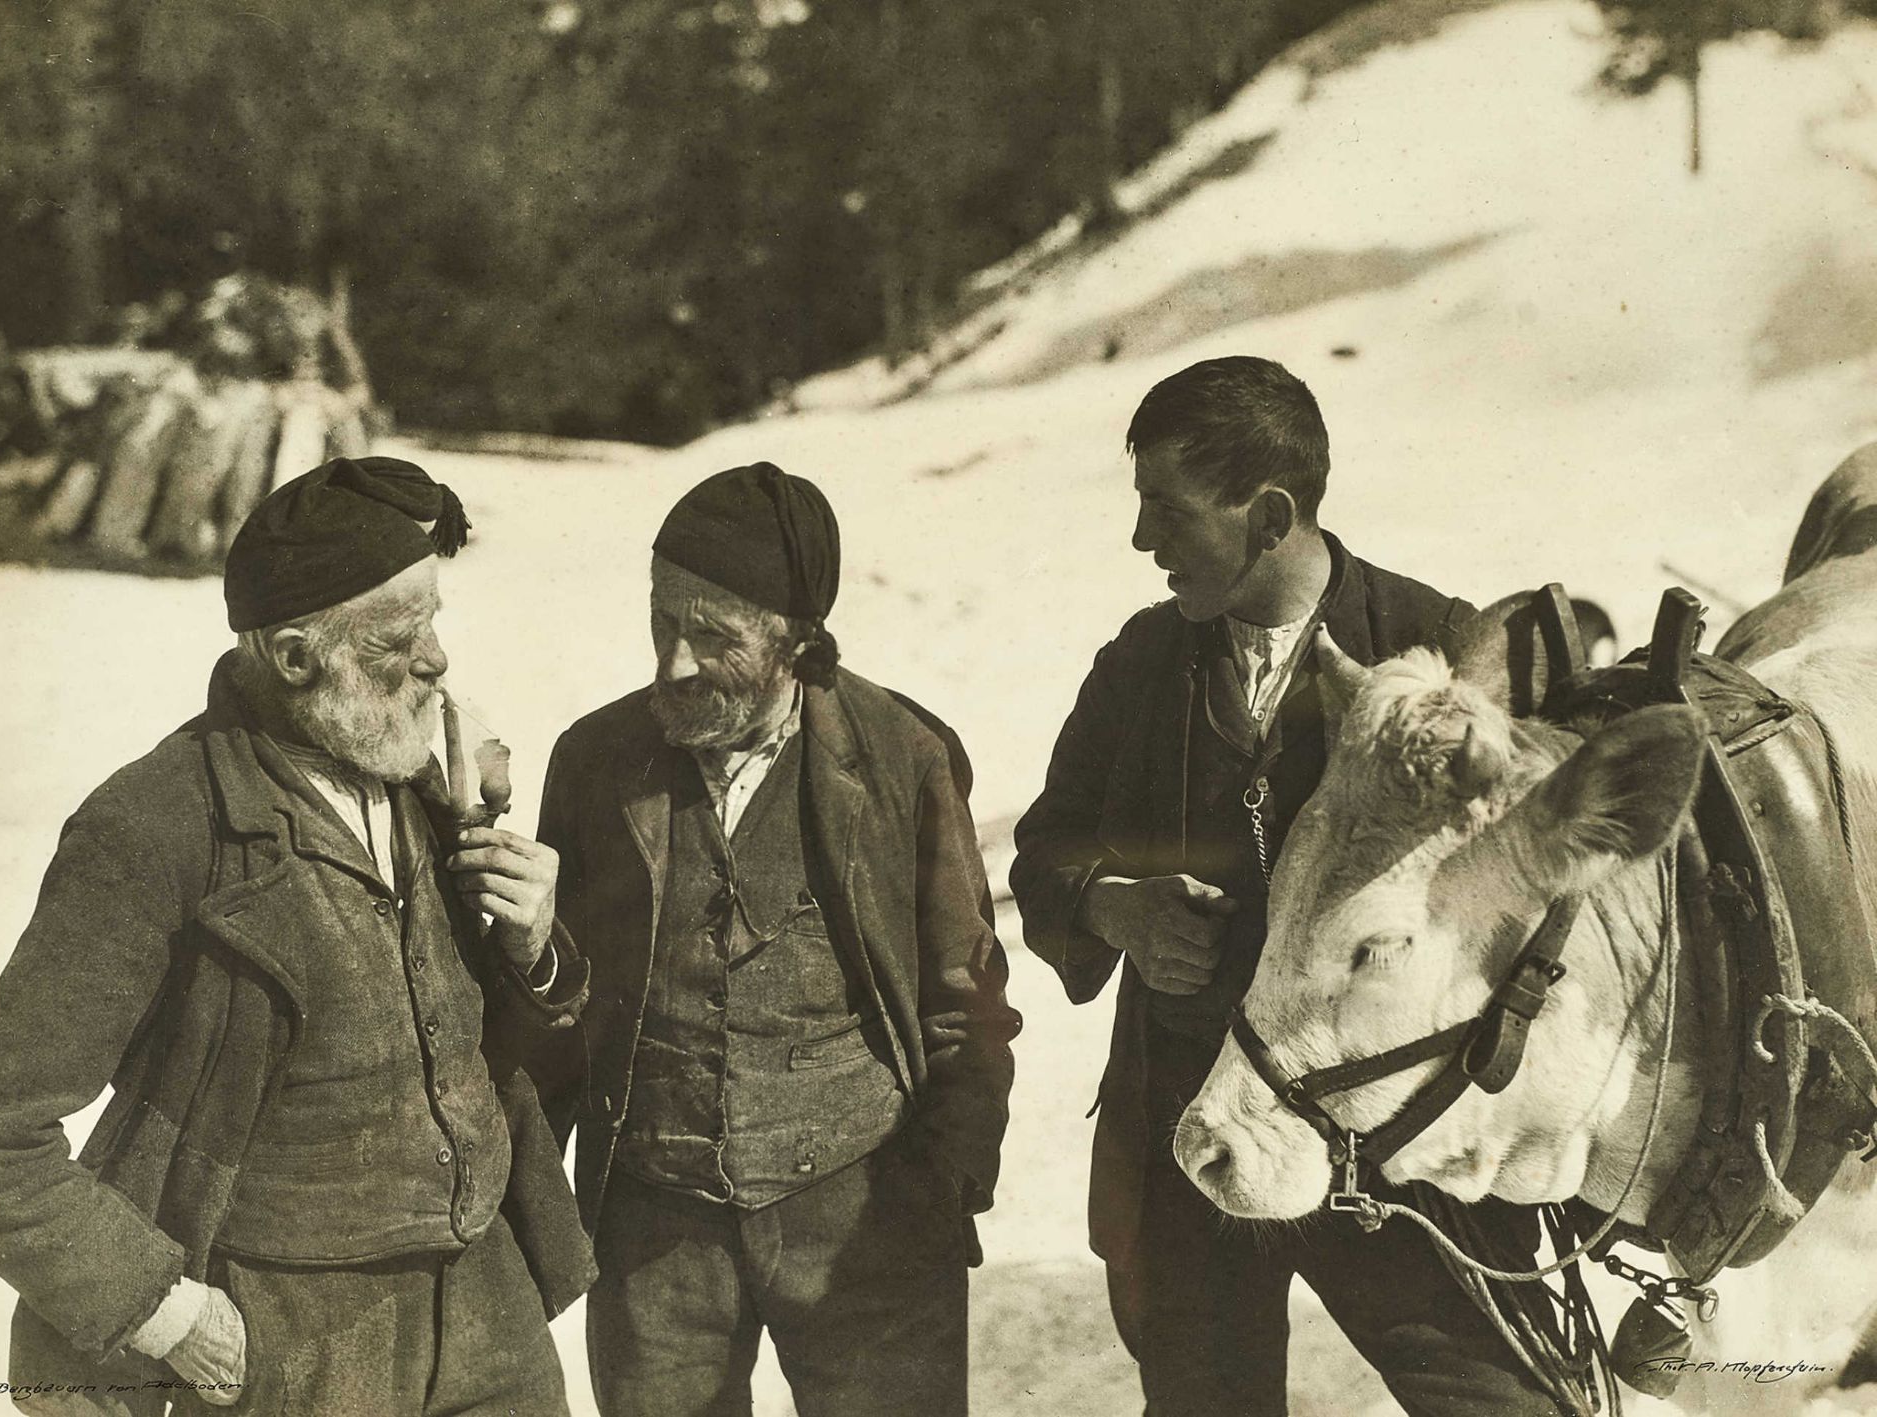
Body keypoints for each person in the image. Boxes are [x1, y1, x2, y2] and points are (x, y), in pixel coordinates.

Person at [0, 456, 595, 1416]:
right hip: (285, 1345)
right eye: (398, 637)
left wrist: (536, 950)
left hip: (487, 1318)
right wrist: (166, 1314)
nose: (438, 661)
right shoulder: (155, 825)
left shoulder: (415, 782)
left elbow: (475, 1049)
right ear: (296, 656)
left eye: (435, 622)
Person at [1010, 357, 1565, 1416]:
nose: (1142, 542)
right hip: (1199, 1135)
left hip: (1402, 1147)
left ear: (1268, 513)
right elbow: (1044, 850)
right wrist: (1107, 901)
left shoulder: (1440, 648)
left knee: (1497, 1400)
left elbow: (1535, 892)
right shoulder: (1139, 665)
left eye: (1166, 511)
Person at [534, 461, 1020, 1417]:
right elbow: (551, 1003)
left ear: (797, 645)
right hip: (654, 1238)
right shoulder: (593, 761)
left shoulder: (902, 756)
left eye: (712, 637)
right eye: (662, 620)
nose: (673, 661)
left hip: (867, 1224)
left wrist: (942, 1185)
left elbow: (966, 997)